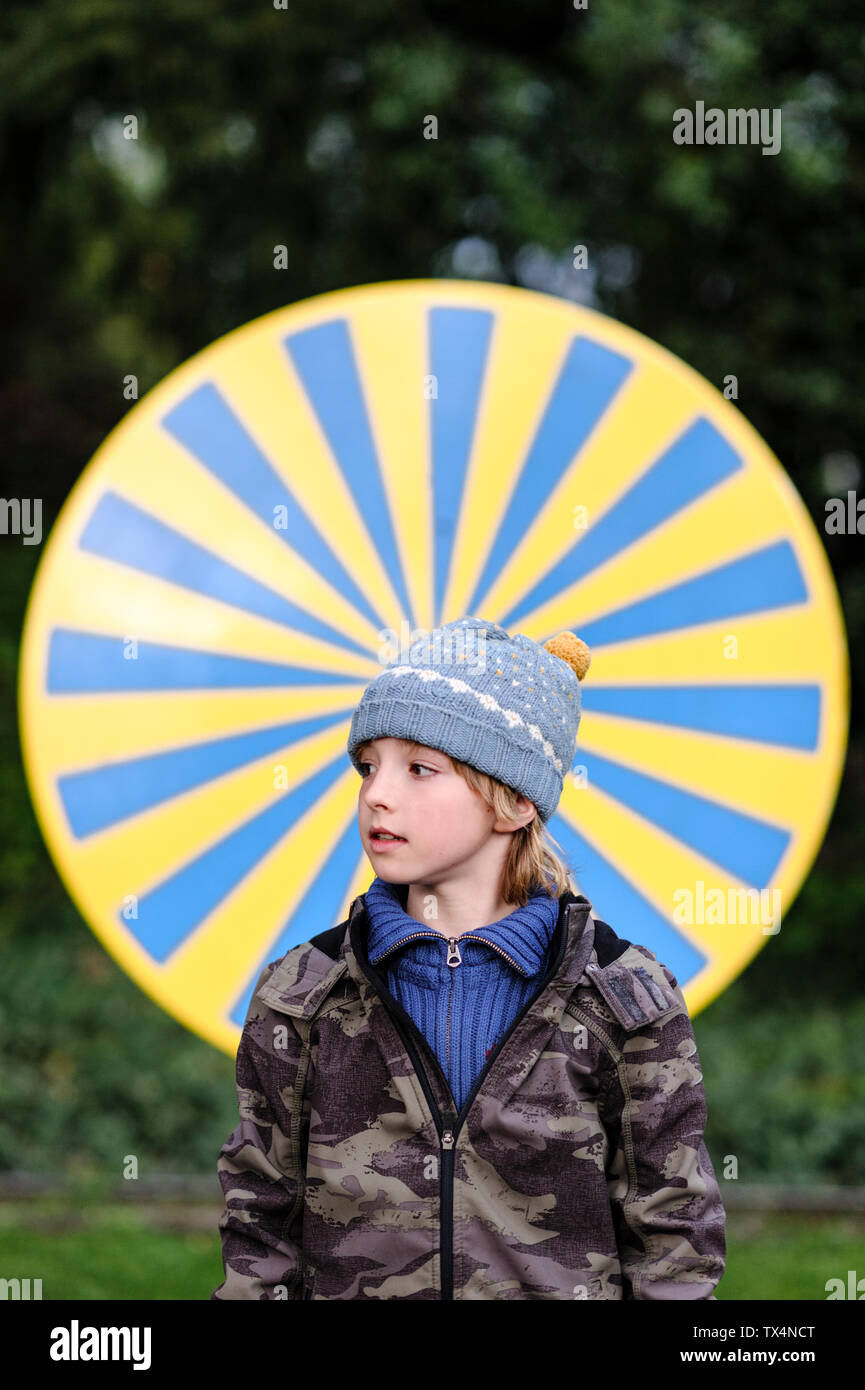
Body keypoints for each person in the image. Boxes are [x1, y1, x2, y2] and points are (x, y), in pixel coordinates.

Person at [211, 616, 726, 1300]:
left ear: (513, 802)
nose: (376, 793)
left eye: (420, 768)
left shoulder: (625, 998)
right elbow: (259, 1225)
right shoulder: (302, 994)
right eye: (369, 766)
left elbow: (673, 1239)